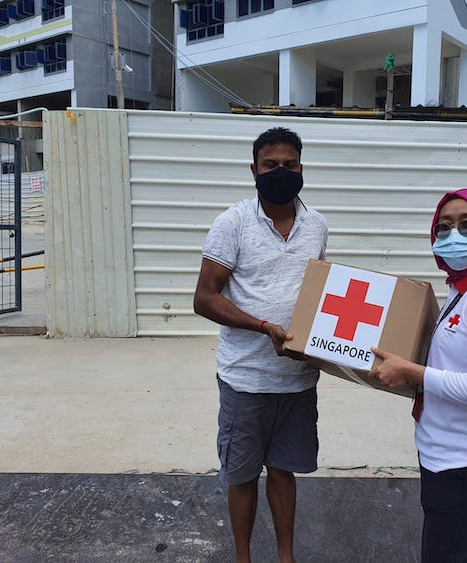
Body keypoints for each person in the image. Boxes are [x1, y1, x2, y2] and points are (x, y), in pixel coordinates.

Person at [193, 127, 327, 563]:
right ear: (254, 171)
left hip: (296, 379)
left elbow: (319, 294)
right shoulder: (232, 223)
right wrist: (261, 325)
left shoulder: (317, 226)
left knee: (284, 471)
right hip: (245, 379)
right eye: (271, 165)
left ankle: (286, 557)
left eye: (290, 165)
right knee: (242, 474)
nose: (281, 172)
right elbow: (205, 298)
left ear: (302, 168)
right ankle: (244, 557)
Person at [369, 188, 467, 562]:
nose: (453, 235)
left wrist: (412, 371)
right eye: (444, 227)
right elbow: (450, 365)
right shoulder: (463, 289)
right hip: (442, 452)